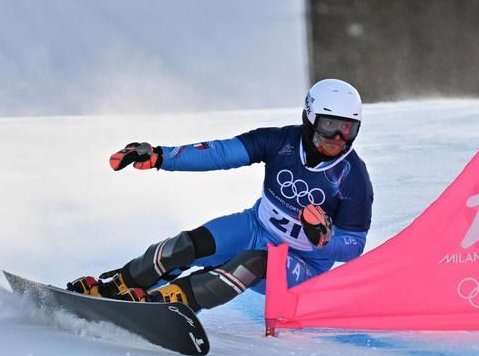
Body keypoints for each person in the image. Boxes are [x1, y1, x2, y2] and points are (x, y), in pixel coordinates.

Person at [67, 79, 374, 311]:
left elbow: (354, 245)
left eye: (348, 129)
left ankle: (165, 304)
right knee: (187, 245)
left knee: (253, 262)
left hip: (303, 263)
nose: (338, 138)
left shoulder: (353, 177)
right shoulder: (280, 141)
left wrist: (325, 241)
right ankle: (115, 288)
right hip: (256, 227)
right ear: (309, 118)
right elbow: (219, 153)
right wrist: (161, 156)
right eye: (329, 125)